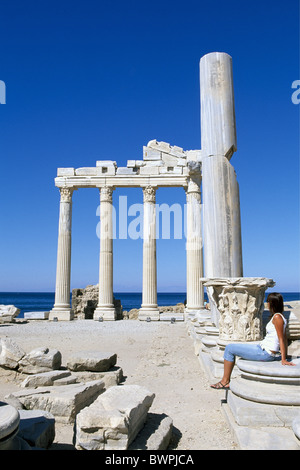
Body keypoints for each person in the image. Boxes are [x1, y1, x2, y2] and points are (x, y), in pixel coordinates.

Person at [211, 292, 295, 390]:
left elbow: (282, 338)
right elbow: (284, 337)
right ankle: (225, 381)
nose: (266, 303)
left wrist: (284, 359)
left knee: (229, 348)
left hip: (265, 353)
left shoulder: (277, 318)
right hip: (262, 348)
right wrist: (285, 355)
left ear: (272, 303)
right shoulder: (280, 316)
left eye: (267, 301)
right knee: (234, 346)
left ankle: (224, 381)